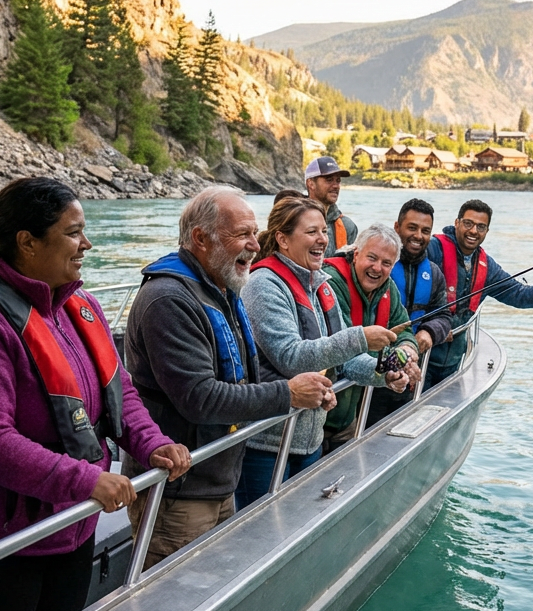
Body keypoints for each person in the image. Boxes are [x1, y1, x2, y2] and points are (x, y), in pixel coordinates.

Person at [0, 177, 189, 611]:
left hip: (71, 527)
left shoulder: (80, 305)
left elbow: (118, 388)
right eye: (72, 232)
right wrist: (85, 480)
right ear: (27, 242)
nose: (86, 243)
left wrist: (152, 443)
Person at [123, 186, 335, 569]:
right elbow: (201, 398)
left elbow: (243, 381)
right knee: (178, 602)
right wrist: (288, 394)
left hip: (218, 481)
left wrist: (311, 391)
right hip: (180, 493)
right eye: (243, 234)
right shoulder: (168, 300)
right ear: (201, 238)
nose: (256, 245)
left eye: (255, 233)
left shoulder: (221, 290)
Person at [238, 197, 407, 507]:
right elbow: (290, 357)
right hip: (266, 444)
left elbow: (343, 361)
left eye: (324, 231)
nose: (322, 240)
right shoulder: (263, 285)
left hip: (308, 441)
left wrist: (384, 374)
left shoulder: (322, 286)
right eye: (312, 232)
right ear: (283, 239)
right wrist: (360, 337)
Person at [426, 199, 533, 386]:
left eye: (481, 227)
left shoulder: (488, 267)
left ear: (487, 231)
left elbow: (522, 296)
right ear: (457, 223)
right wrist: (433, 326)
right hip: (423, 355)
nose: (473, 231)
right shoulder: (433, 249)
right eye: (468, 223)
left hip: (454, 364)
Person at [320, 223, 422, 448]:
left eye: (386, 263)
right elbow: (344, 354)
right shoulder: (331, 283)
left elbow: (404, 328)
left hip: (349, 418)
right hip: (318, 412)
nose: (377, 268)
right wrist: (390, 371)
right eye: (372, 258)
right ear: (356, 255)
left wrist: (406, 353)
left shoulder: (388, 287)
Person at [365, 199, 455, 426]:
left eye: (425, 231)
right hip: (370, 372)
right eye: (412, 228)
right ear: (397, 228)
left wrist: (429, 333)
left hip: (412, 370)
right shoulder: (377, 266)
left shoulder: (434, 274)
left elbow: (444, 315)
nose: (418, 236)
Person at [304, 156, 356, 256]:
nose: (336, 186)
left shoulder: (348, 226)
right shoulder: (294, 222)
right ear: (311, 183)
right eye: (329, 180)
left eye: (338, 180)